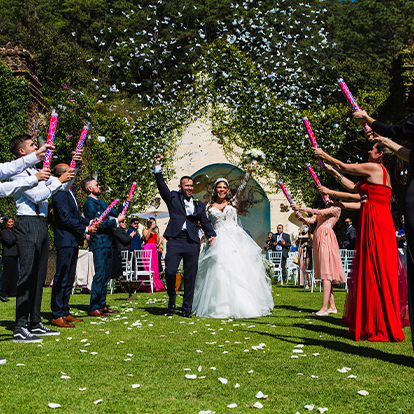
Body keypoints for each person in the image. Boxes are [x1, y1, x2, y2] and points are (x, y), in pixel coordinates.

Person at [313, 142, 406, 341]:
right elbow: (356, 190)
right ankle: (374, 320)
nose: (368, 151)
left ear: (380, 154)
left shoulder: (374, 167)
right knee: (374, 268)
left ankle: (379, 322)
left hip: (377, 222)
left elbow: (346, 167)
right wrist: (330, 172)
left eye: (372, 149)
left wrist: (324, 154)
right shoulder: (376, 173)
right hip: (376, 218)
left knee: (376, 267)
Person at [10, 135, 75, 343]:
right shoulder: (19, 173)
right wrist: (57, 181)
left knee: (39, 277)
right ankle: (20, 325)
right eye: (32, 146)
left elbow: (62, 188)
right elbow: (37, 196)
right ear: (22, 152)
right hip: (27, 223)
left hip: (41, 223)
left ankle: (35, 322)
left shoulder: (37, 172)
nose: (37, 148)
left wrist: (74, 168)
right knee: (27, 274)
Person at [192, 161, 274, 319]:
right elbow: (205, 225)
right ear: (215, 190)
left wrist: (249, 172)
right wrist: (205, 237)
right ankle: (219, 306)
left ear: (227, 190)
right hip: (217, 241)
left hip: (236, 240)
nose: (221, 190)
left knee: (240, 269)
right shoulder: (208, 207)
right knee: (218, 271)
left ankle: (245, 305)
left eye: (224, 187)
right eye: (219, 187)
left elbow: (242, 187)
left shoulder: (233, 203)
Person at [153, 153, 216, 318]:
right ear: (180, 187)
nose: (189, 188)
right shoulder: (173, 197)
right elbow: (161, 186)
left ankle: (187, 308)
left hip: (192, 243)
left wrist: (211, 234)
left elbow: (205, 221)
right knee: (170, 272)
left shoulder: (199, 205)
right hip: (174, 240)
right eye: (186, 185)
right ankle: (172, 297)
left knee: (190, 276)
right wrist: (158, 166)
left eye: (191, 185)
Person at [51, 163, 96, 328]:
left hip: (73, 240)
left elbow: (76, 217)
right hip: (65, 240)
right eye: (71, 171)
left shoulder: (69, 193)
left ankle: (64, 310)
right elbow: (65, 219)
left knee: (69, 278)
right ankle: (56, 314)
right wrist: (85, 229)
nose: (74, 174)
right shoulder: (59, 193)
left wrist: (90, 221)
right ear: (63, 174)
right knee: (61, 277)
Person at [81, 177, 128, 317]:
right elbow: (98, 224)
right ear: (90, 189)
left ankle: (102, 305)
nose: (99, 186)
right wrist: (116, 222)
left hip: (108, 242)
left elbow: (115, 213)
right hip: (99, 242)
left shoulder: (101, 202)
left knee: (106, 276)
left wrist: (126, 203)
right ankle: (94, 307)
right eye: (97, 185)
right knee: (100, 275)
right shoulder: (89, 204)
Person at [292, 201, 345, 315]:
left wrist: (301, 207)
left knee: (326, 273)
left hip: (326, 238)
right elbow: (311, 220)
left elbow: (320, 212)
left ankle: (324, 308)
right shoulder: (321, 208)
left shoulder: (336, 208)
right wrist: (300, 216)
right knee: (323, 273)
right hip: (318, 238)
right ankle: (332, 307)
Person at [140, 218, 166, 292]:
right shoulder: (145, 230)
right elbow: (146, 238)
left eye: (153, 222)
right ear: (148, 223)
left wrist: (157, 234)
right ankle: (147, 284)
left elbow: (157, 243)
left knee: (154, 266)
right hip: (147, 248)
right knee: (148, 266)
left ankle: (155, 283)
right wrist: (150, 229)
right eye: (151, 222)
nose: (152, 223)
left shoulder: (155, 231)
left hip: (154, 249)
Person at [0, 217, 19, 299]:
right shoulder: (4, 232)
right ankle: (3, 292)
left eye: (12, 222)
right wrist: (17, 237)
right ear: (6, 223)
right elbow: (9, 241)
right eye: (9, 222)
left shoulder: (13, 231)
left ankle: (13, 292)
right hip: (8, 255)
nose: (11, 223)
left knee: (14, 275)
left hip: (14, 254)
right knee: (7, 275)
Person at [297, 224, 312, 289]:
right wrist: (300, 233)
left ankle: (309, 282)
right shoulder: (301, 235)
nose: (305, 228)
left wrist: (307, 243)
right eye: (304, 227)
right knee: (301, 266)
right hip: (302, 251)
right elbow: (299, 242)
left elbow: (314, 243)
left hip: (308, 251)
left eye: (306, 227)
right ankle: (302, 283)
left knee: (308, 267)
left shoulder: (311, 236)